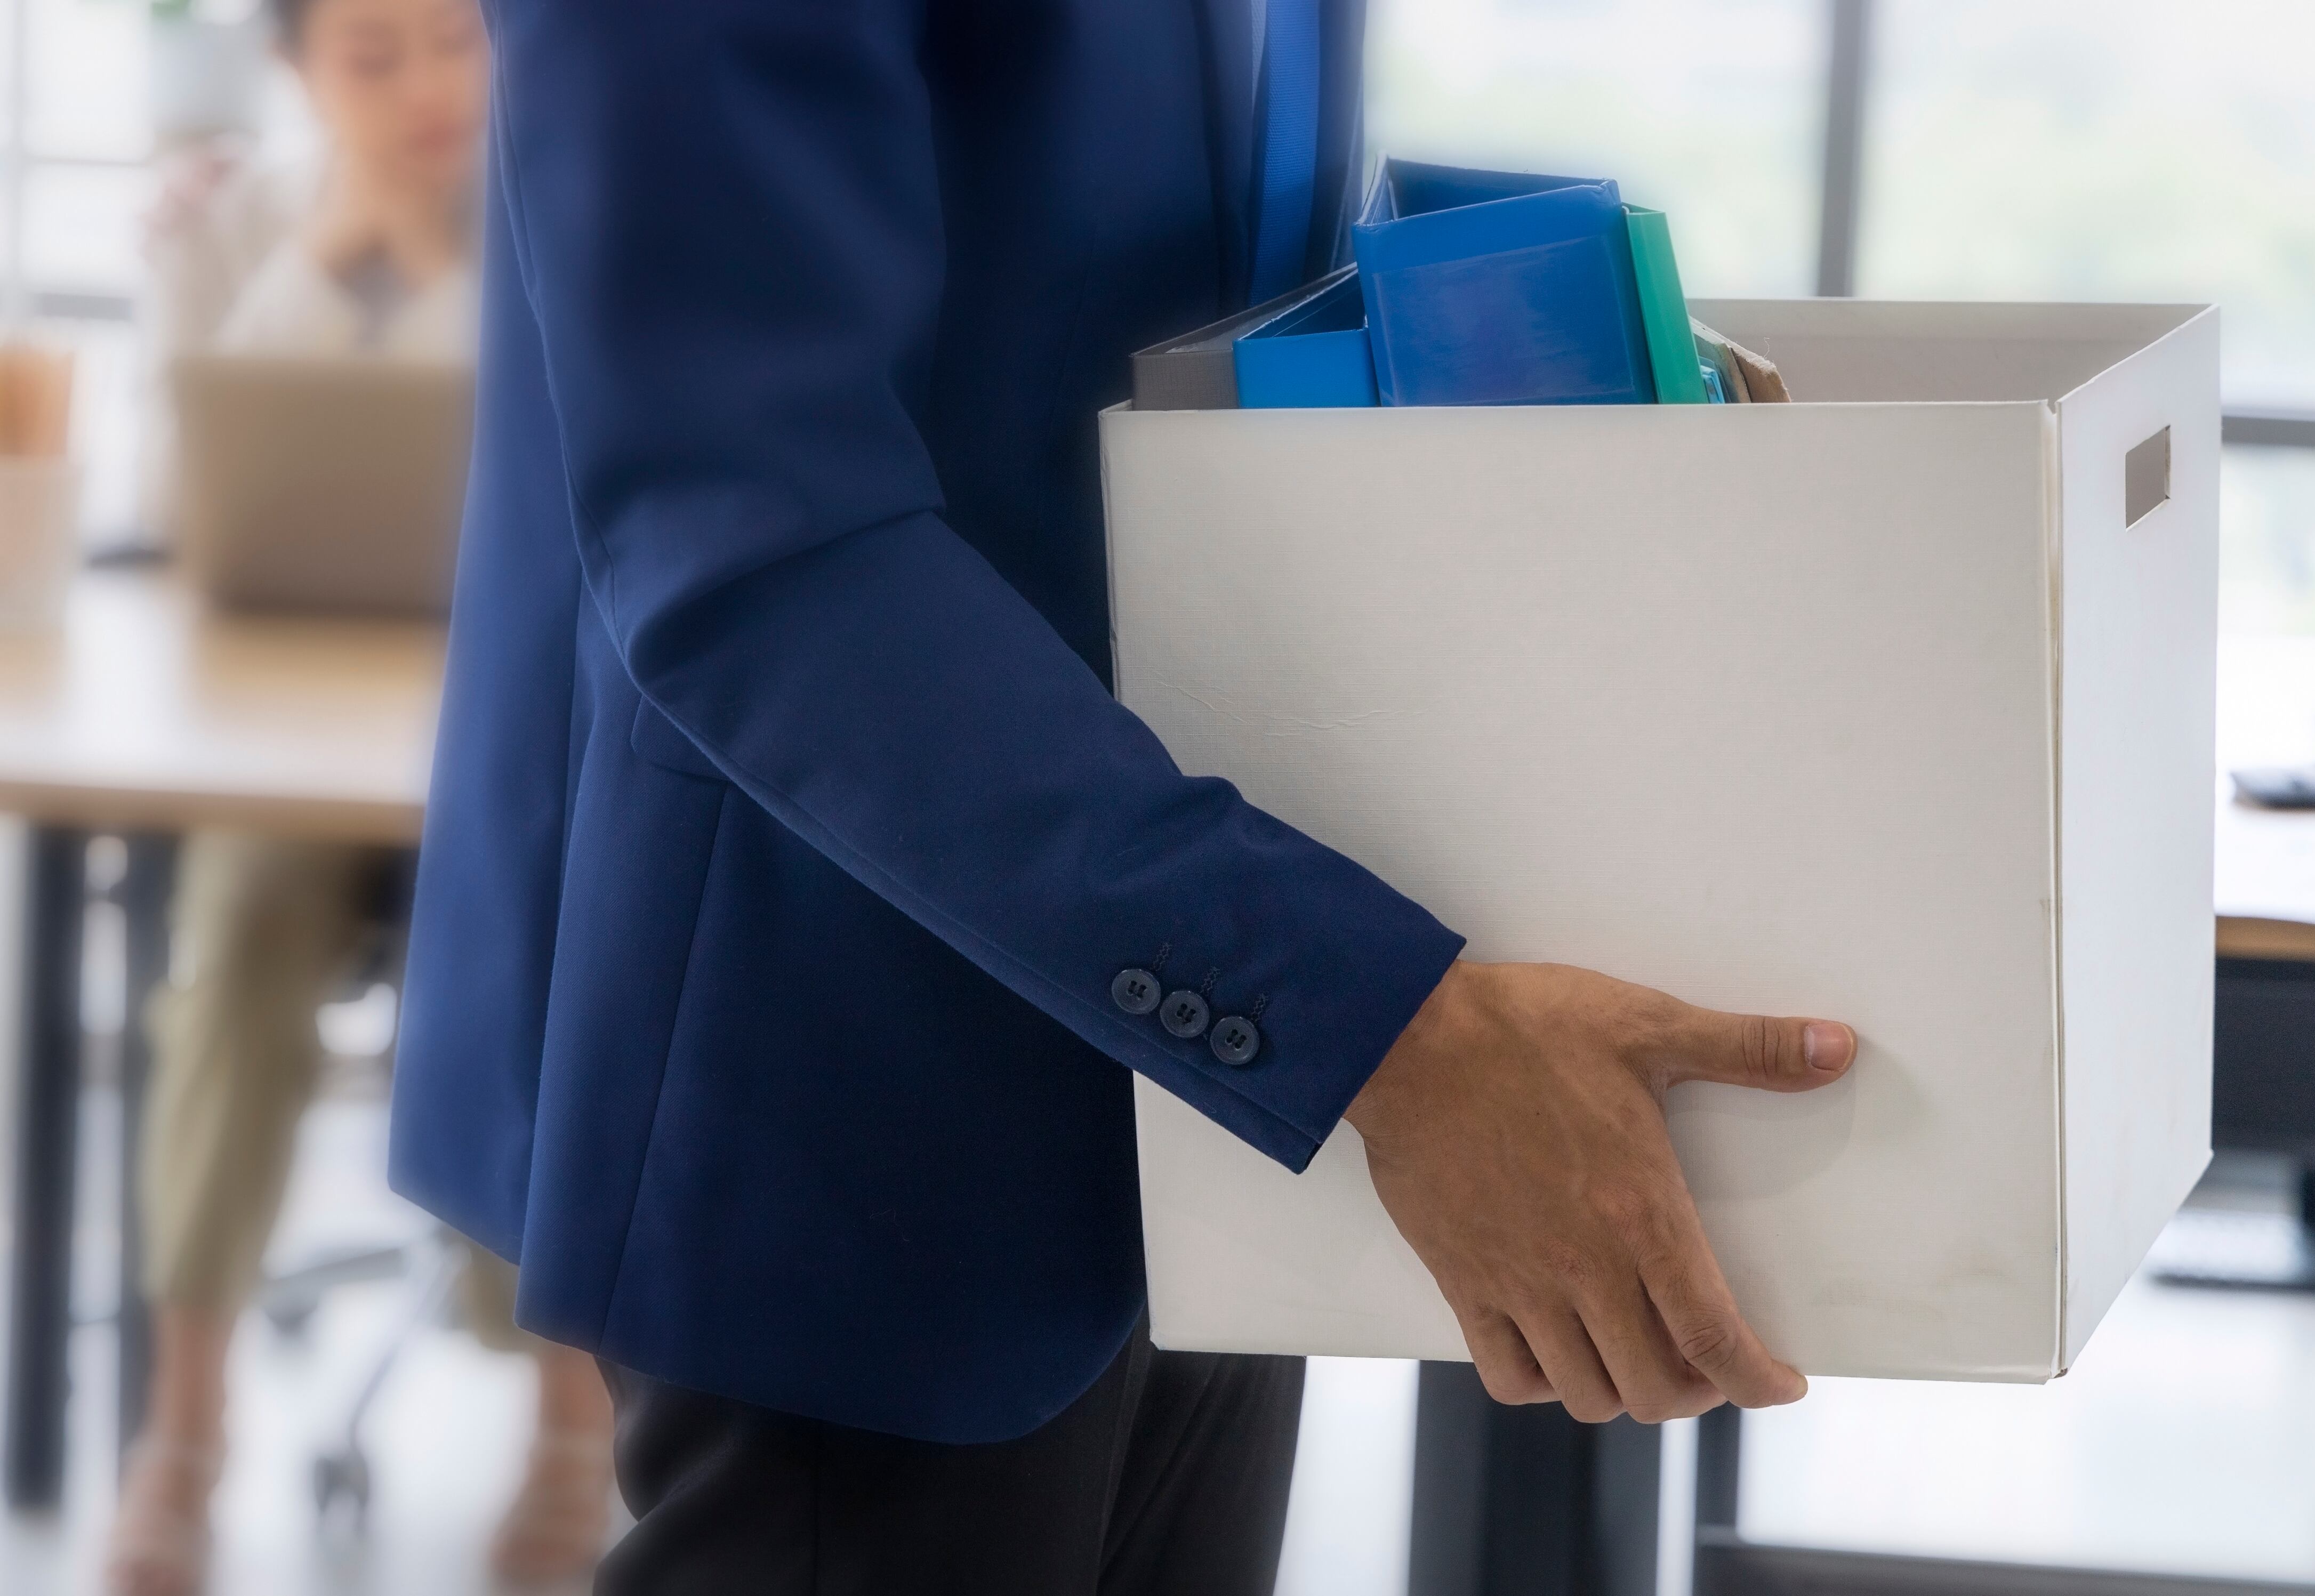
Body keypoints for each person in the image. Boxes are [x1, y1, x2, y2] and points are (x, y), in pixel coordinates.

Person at [393, 0, 1861, 1590]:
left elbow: (1192, 281)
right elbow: (758, 552)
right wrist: (1391, 1036)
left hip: (1220, 1045)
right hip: (857, 1062)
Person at [108, 0, 615, 1590]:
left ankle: (571, 1430)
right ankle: (180, 1427)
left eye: (455, 42)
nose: (425, 90)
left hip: (508, 750)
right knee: (238, 925)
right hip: (290, 752)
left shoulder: (582, 193)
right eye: (371, 56)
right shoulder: (230, 227)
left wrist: (445, 250)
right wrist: (346, 245)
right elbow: (179, 500)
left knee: (530, 939)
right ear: (296, 74)